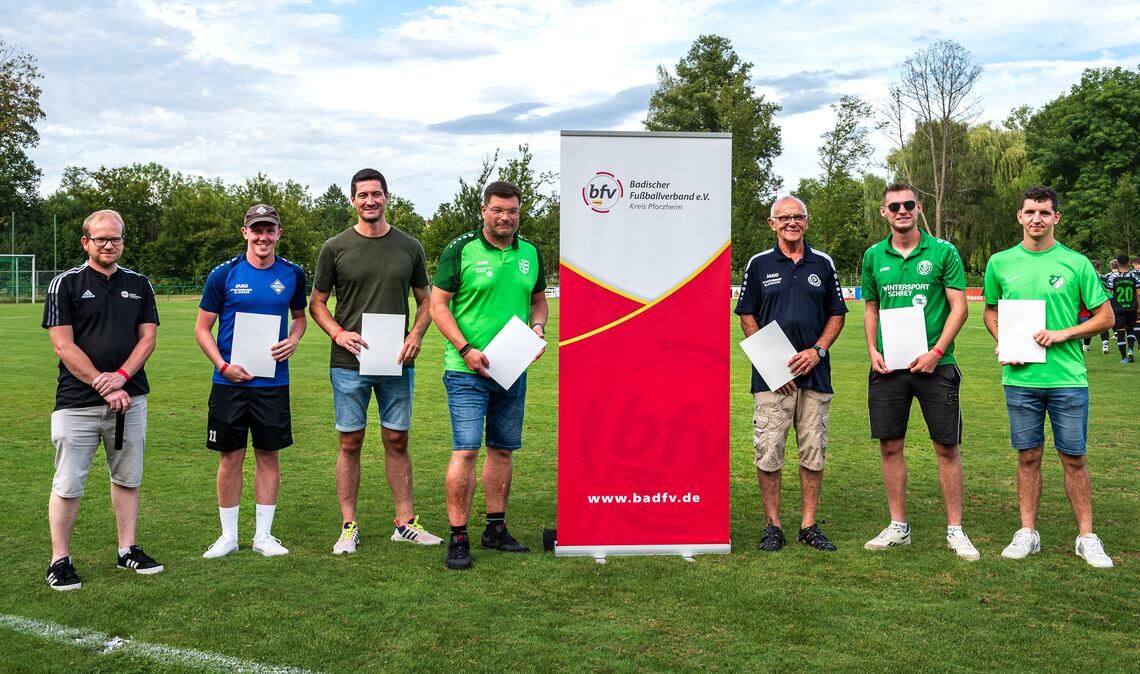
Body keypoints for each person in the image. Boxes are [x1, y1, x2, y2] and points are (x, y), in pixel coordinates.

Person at [982, 185, 1115, 568]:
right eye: (1030, 212)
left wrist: (1063, 333)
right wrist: (1003, 340)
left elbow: (1105, 317)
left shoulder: (1076, 263)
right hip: (1021, 379)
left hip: (1067, 378)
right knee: (1028, 456)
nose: (1036, 218)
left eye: (1044, 212)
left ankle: (1087, 537)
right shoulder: (1000, 262)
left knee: (1074, 458)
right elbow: (990, 311)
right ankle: (1028, 532)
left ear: (1056, 217)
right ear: (1019, 217)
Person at [309, 168, 441, 553]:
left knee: (397, 439)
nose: (370, 200)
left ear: (387, 197)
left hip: (395, 360)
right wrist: (337, 333)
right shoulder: (335, 247)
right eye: (363, 194)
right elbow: (317, 303)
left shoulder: (409, 246)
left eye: (376, 194)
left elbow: (427, 300)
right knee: (350, 442)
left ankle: (405, 523)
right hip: (348, 361)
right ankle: (348, 525)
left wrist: (416, 335)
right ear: (353, 200)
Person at [430, 180, 549, 570]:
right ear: (484, 210)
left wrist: (538, 328)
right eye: (498, 210)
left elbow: (538, 301)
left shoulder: (530, 252)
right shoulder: (461, 249)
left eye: (512, 211)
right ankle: (458, 536)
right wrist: (465, 349)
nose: (505, 217)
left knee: (502, 449)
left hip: (511, 368)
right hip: (466, 369)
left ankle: (495, 529)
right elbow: (438, 305)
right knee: (466, 450)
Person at [42, 209, 162, 590]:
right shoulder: (65, 284)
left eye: (116, 238)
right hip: (77, 401)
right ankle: (59, 560)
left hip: (130, 400)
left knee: (127, 477)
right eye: (101, 239)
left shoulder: (139, 284)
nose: (109, 245)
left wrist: (122, 377)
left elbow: (148, 339)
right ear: (86, 242)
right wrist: (102, 383)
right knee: (68, 481)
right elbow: (63, 345)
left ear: (123, 241)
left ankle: (127, 550)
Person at [860, 183, 979, 560]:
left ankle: (955, 529)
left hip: (937, 366)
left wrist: (937, 351)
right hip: (889, 367)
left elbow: (959, 308)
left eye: (908, 204)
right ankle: (899, 526)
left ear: (919, 207)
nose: (902, 210)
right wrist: (872, 349)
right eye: (894, 206)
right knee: (890, 445)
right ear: (884, 212)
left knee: (946, 447)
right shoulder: (873, 255)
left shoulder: (943, 251)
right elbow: (871, 308)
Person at [734, 195, 846, 552]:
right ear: (773, 224)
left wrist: (818, 351)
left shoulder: (823, 263)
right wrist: (772, 366)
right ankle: (773, 525)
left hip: (815, 374)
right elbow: (747, 316)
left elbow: (837, 314)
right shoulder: (759, 263)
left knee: (813, 451)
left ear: (807, 222)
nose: (792, 222)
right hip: (773, 380)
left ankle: (809, 525)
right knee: (769, 451)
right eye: (784, 218)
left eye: (798, 217)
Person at [195, 204, 307, 558]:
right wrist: (222, 365)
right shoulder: (224, 274)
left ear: (278, 234)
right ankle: (228, 536)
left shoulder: (292, 273)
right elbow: (202, 328)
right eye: (256, 230)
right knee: (230, 457)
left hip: (272, 384)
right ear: (245, 232)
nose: (263, 237)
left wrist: (294, 339)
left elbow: (300, 317)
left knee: (268, 456)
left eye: (269, 230)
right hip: (229, 383)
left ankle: (263, 536)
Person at [1105, 254, 1137, 363]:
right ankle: (1131, 350)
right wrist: (1138, 307)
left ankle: (1124, 358)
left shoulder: (1113, 277)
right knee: (1131, 329)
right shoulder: (1134, 276)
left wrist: (1109, 307)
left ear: (1117, 263)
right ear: (1128, 263)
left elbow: (1109, 293)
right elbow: (1138, 293)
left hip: (1118, 308)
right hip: (1131, 307)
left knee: (1120, 332)